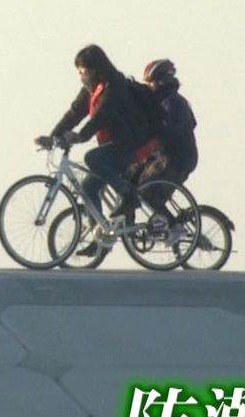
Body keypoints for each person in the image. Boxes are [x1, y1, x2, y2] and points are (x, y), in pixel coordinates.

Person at [37, 44, 151, 258]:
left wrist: (80, 136)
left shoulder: (115, 86)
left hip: (134, 143)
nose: (80, 75)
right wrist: (53, 136)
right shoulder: (91, 88)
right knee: (88, 187)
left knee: (92, 157)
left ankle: (128, 194)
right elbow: (74, 113)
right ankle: (101, 238)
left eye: (82, 70)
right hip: (116, 145)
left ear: (95, 68)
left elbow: (102, 116)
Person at [131, 58, 198, 190]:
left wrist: (149, 133)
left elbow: (169, 131)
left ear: (161, 81)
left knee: (146, 189)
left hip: (176, 158)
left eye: (151, 82)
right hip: (161, 156)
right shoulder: (159, 102)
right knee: (129, 178)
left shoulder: (173, 102)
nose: (149, 86)